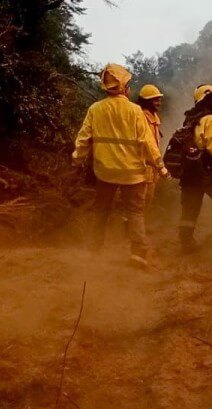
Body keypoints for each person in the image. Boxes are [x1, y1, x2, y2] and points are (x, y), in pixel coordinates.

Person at [72, 63, 170, 268]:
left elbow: (83, 139)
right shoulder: (135, 111)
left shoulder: (95, 109)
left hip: (105, 172)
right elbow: (147, 142)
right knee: (135, 212)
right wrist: (161, 167)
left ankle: (94, 251)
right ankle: (138, 254)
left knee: (101, 212)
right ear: (124, 87)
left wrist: (77, 160)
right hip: (133, 175)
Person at [170, 84, 212, 253]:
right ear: (209, 100)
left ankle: (186, 243)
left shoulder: (191, 118)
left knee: (190, 208)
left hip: (189, 171)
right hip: (206, 171)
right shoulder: (210, 119)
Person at [137, 84, 165, 216]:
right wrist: (161, 166)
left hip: (151, 168)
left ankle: (137, 229)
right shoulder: (141, 117)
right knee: (138, 203)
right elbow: (148, 144)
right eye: (155, 100)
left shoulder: (153, 118)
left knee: (147, 201)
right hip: (142, 167)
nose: (159, 103)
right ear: (147, 101)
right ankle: (130, 231)